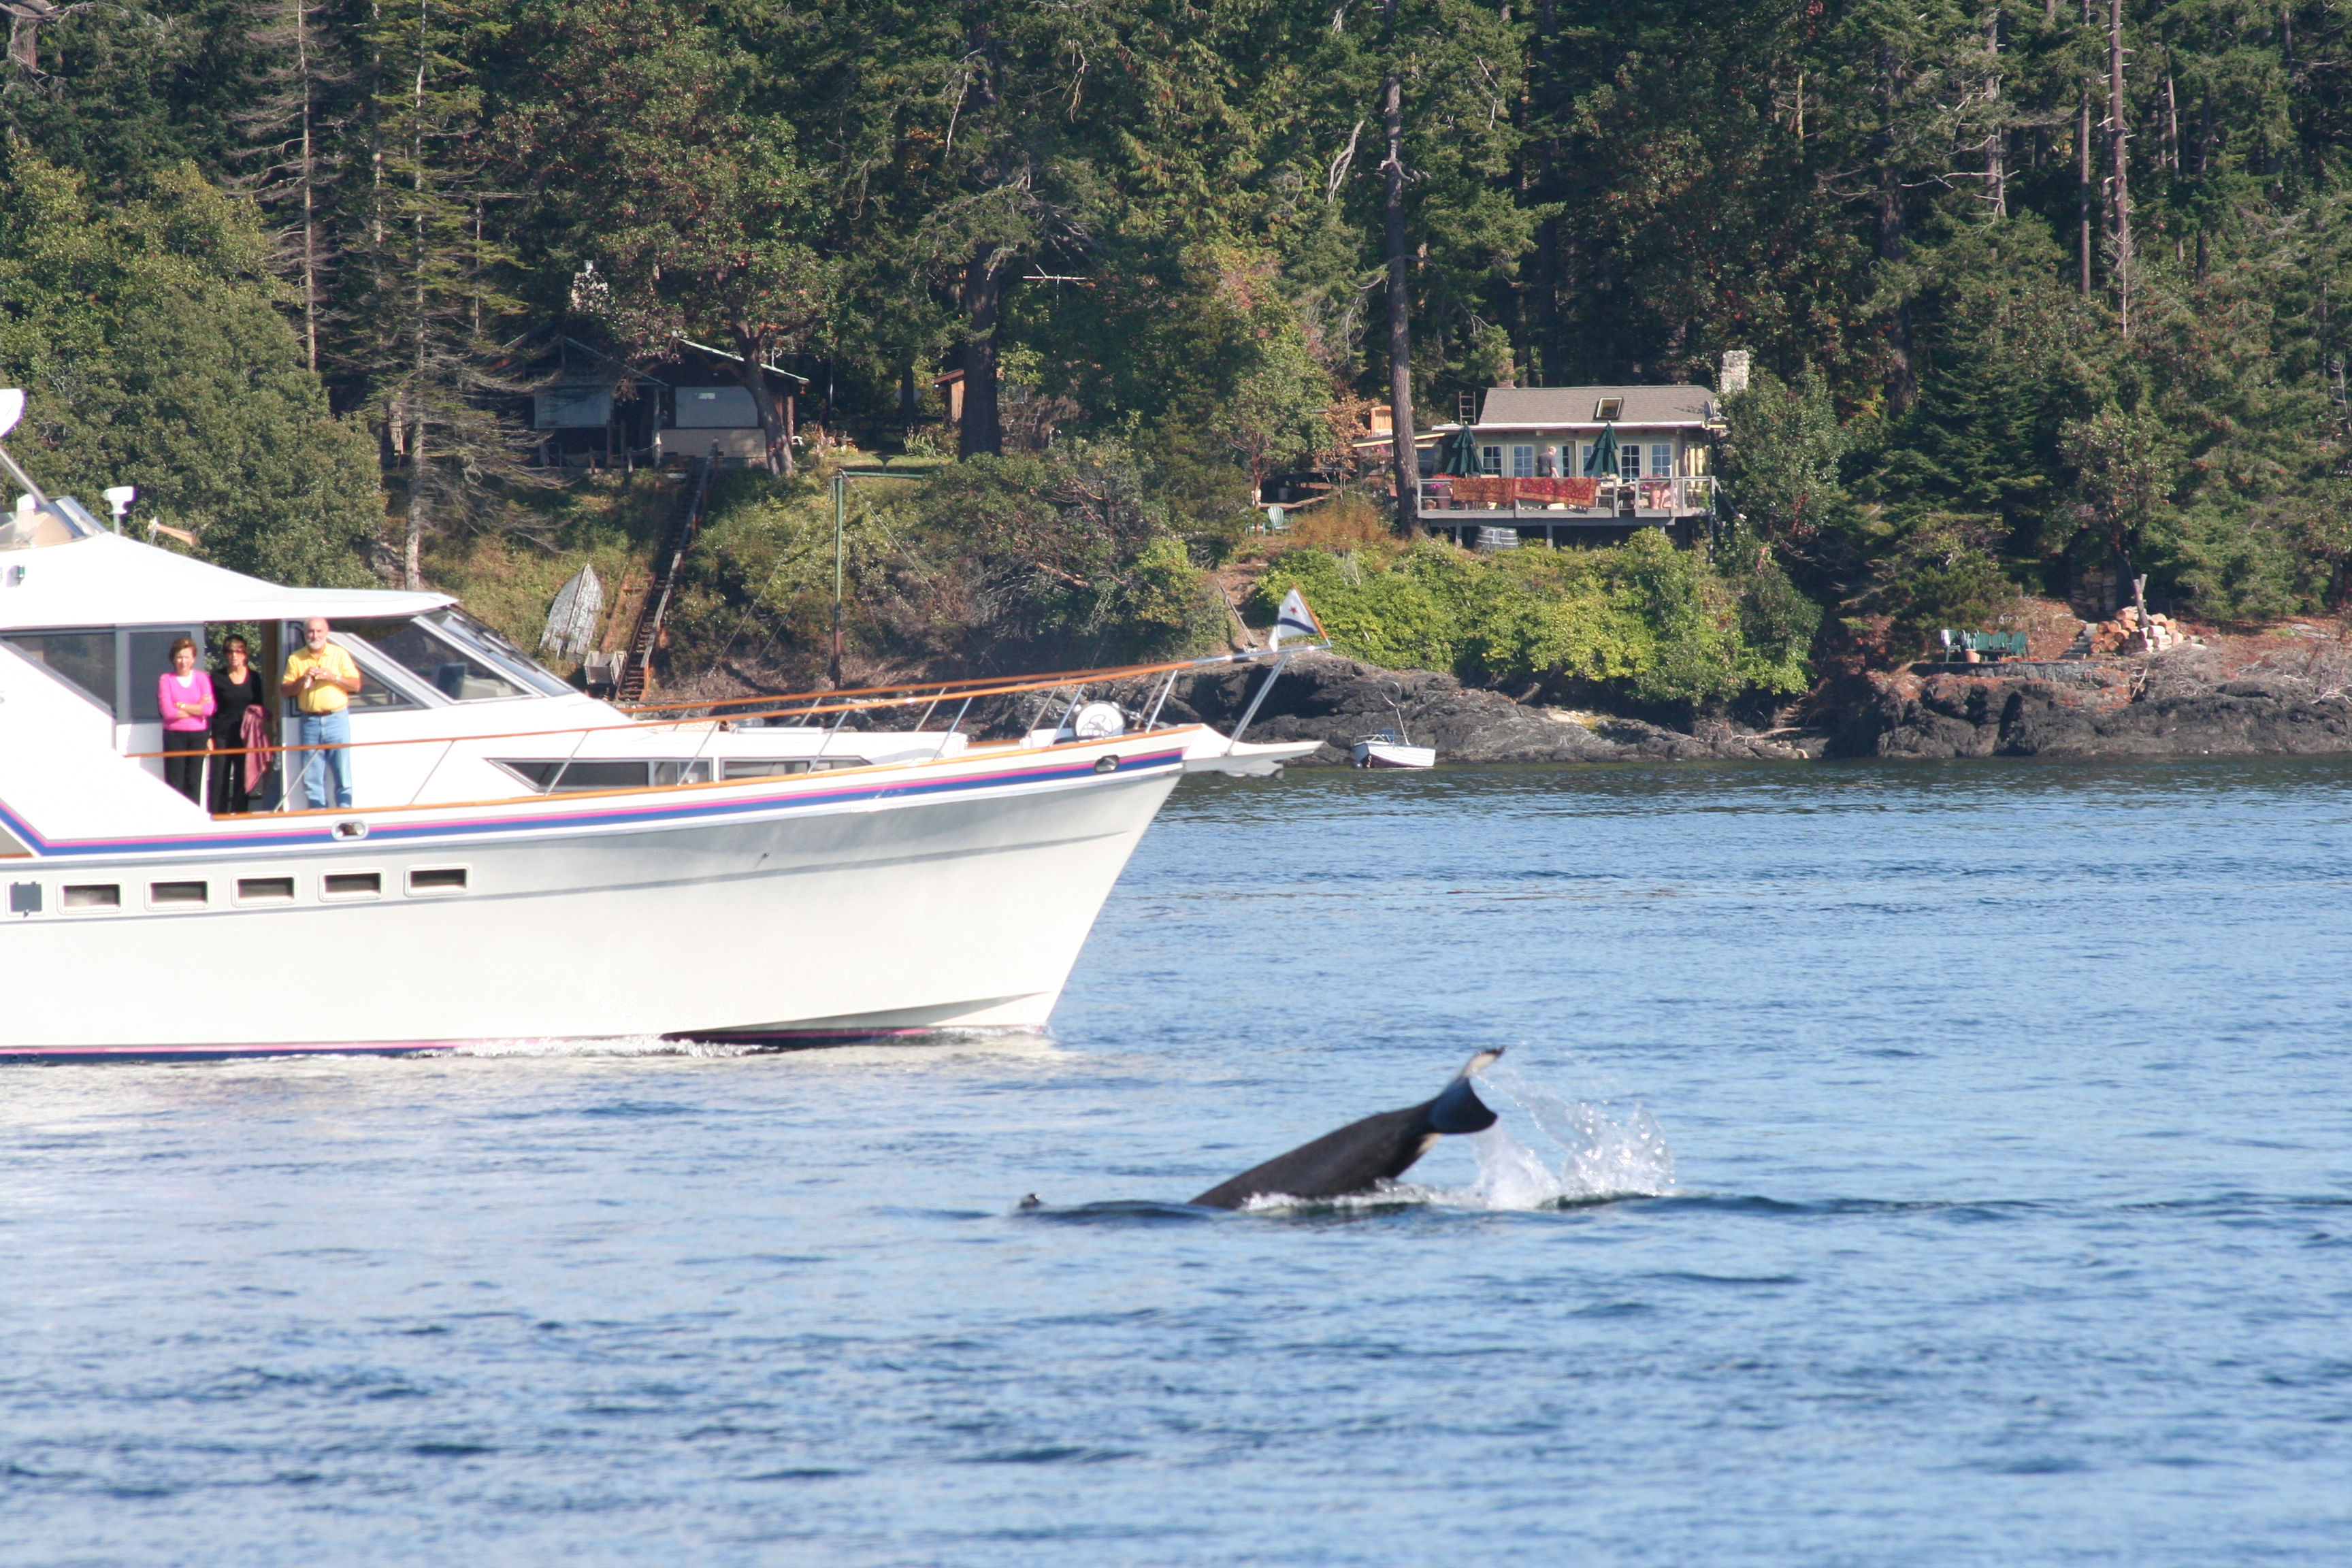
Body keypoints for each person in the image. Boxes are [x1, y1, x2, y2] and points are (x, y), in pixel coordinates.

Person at [281, 617, 361, 808]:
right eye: (310, 631)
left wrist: (333, 677)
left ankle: (345, 812)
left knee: (342, 772)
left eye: (319, 631)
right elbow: (285, 691)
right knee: (312, 775)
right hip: (310, 721)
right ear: (304, 634)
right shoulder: (296, 658)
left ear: (326, 633)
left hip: (337, 719)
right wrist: (303, 679)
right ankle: (318, 814)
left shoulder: (339, 654)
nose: (314, 635)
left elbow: (356, 685)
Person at [206, 634, 270, 815]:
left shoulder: (254, 678)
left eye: (238, 651)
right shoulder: (217, 677)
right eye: (230, 652)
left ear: (245, 654)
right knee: (219, 779)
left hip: (246, 736)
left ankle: (240, 816)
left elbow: (260, 707)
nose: (234, 655)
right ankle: (217, 817)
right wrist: (209, 736)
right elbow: (210, 708)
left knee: (243, 778)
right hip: (222, 735)